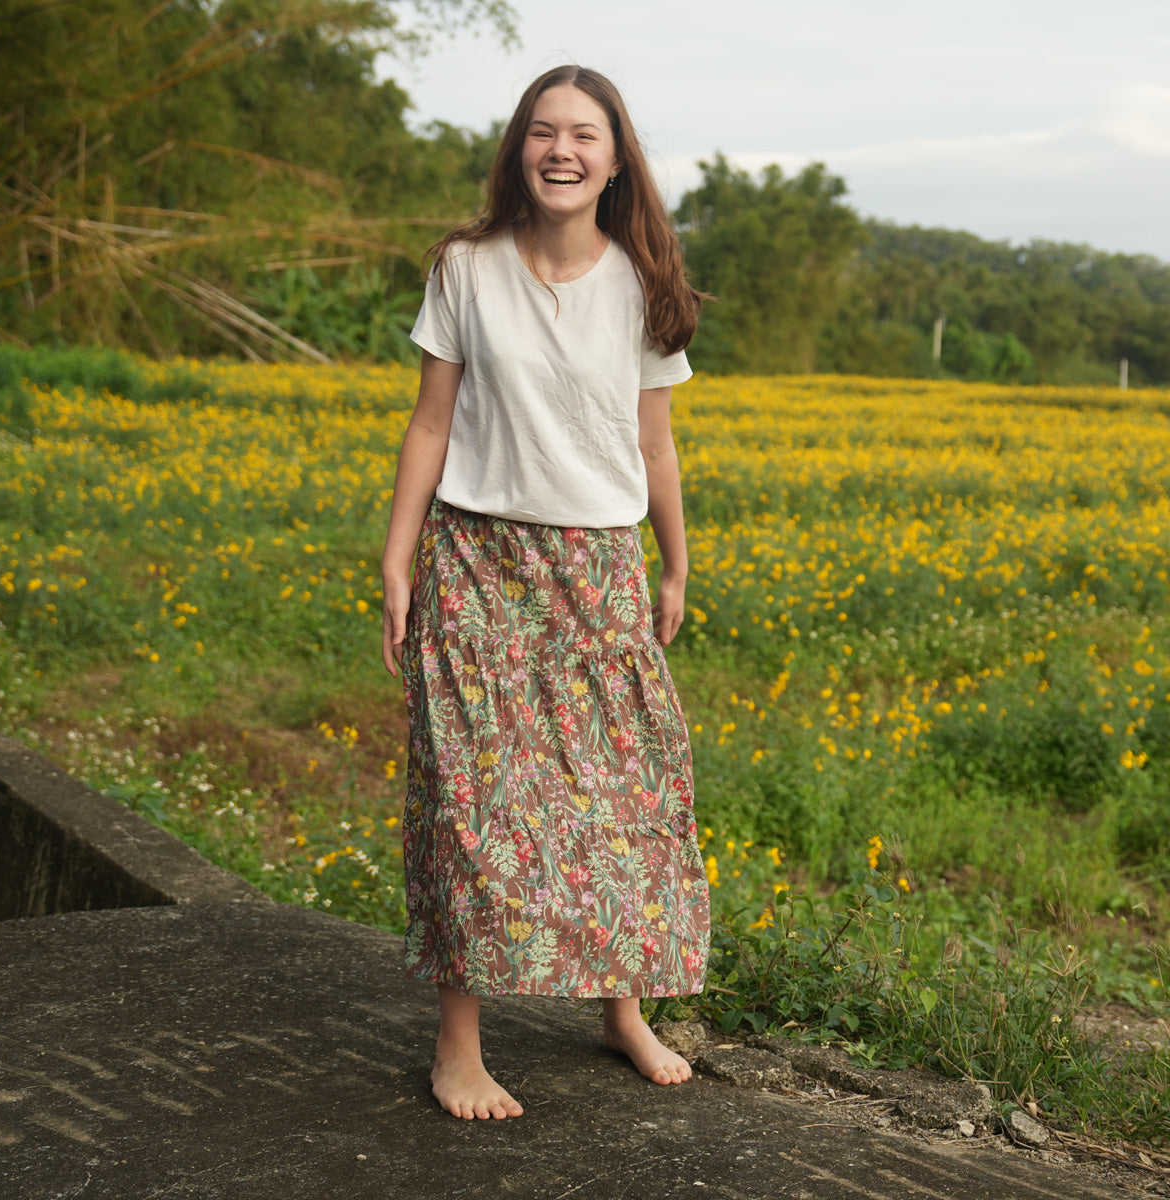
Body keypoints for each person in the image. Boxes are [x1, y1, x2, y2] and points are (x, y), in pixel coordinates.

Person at [380, 64, 710, 1121]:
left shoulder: (648, 284)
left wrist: (674, 562)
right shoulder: (466, 269)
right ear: (520, 150)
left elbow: (655, 448)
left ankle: (621, 1007)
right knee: (475, 803)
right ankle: (458, 1045)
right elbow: (432, 423)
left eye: (583, 135)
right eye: (542, 132)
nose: (560, 150)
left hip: (600, 569)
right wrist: (395, 560)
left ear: (616, 160)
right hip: (475, 561)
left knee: (627, 794)